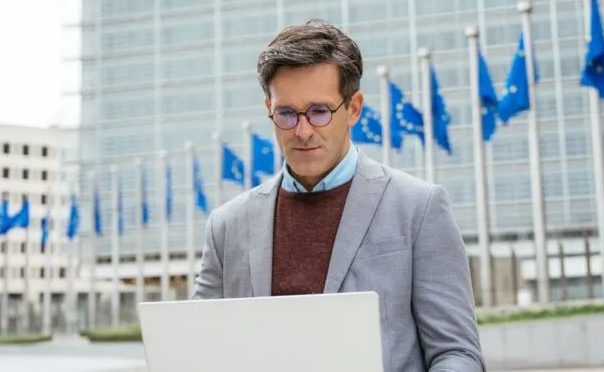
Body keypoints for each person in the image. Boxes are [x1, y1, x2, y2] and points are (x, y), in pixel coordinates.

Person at [192, 19, 485, 372]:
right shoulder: (227, 225)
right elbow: (199, 349)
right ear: (269, 108)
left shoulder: (418, 208)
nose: (302, 131)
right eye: (286, 113)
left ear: (354, 108)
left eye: (319, 111)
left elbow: (456, 354)